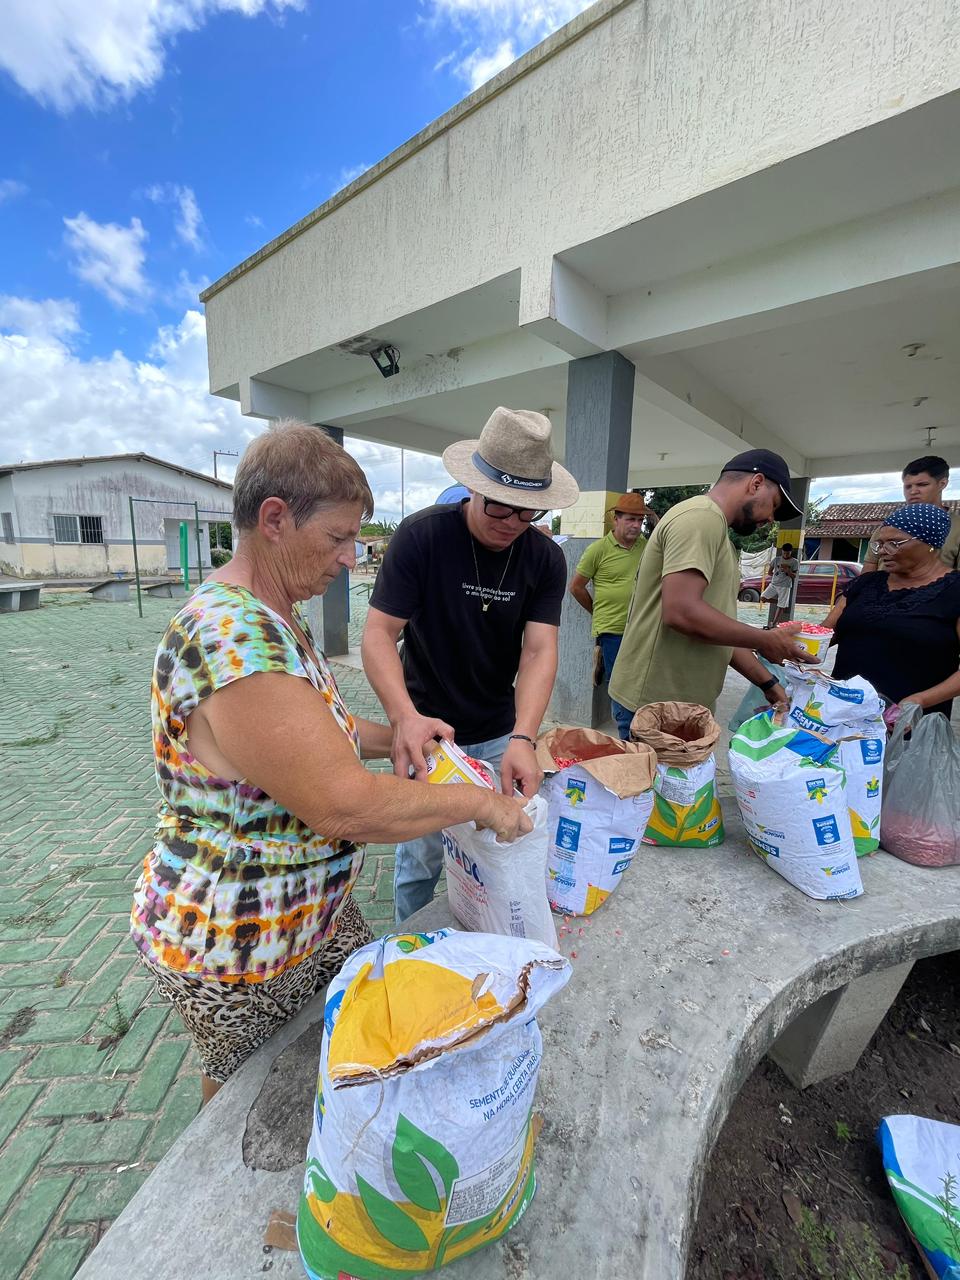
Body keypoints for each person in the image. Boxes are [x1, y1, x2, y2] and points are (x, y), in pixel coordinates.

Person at [131, 422, 530, 1103]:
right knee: (242, 1103)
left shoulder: (274, 612)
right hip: (240, 939)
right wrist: (480, 803)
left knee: (351, 1046)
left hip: (308, 913)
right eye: (338, 538)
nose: (351, 558)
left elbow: (317, 733)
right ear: (276, 520)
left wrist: (401, 731)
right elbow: (345, 803)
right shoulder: (235, 638)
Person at [361, 406, 580, 920]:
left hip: (500, 729)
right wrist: (402, 718)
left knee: (498, 845)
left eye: (529, 513)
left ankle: (486, 936)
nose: (512, 525)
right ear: (473, 488)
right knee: (420, 857)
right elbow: (378, 634)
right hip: (428, 732)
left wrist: (525, 737)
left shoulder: (545, 559)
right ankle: (406, 944)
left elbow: (539, 649)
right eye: (500, 508)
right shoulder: (422, 538)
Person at [609, 448, 814, 718]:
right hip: (656, 706)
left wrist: (768, 682)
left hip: (681, 706)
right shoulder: (700, 518)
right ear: (756, 484)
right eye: (774, 505)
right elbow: (682, 612)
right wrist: (765, 639)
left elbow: (717, 630)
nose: (770, 519)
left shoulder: (717, 531)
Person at [824, 503, 960, 718]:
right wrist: (783, 642)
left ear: (930, 543)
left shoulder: (955, 591)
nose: (883, 552)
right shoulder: (866, 584)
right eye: (880, 544)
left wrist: (920, 700)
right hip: (842, 713)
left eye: (894, 543)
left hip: (907, 722)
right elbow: (824, 633)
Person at [569, 492, 650, 739]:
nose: (636, 525)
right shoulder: (599, 549)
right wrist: (598, 612)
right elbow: (576, 587)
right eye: (631, 519)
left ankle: (641, 729)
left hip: (641, 627)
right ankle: (627, 736)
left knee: (641, 682)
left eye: (640, 520)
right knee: (620, 684)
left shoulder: (646, 546)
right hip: (613, 629)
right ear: (616, 519)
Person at [861, 456, 959, 573]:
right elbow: (870, 567)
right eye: (908, 486)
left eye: (922, 485)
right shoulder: (890, 524)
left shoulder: (957, 527)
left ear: (942, 484)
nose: (913, 492)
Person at [760, 542, 799, 626]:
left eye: (787, 553)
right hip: (774, 584)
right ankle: (781, 603)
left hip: (785, 586)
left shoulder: (794, 562)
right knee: (763, 598)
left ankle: (774, 623)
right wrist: (776, 574)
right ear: (782, 551)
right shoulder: (776, 559)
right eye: (784, 553)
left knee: (781, 606)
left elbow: (794, 576)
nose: (785, 555)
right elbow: (770, 572)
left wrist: (788, 571)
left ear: (791, 552)